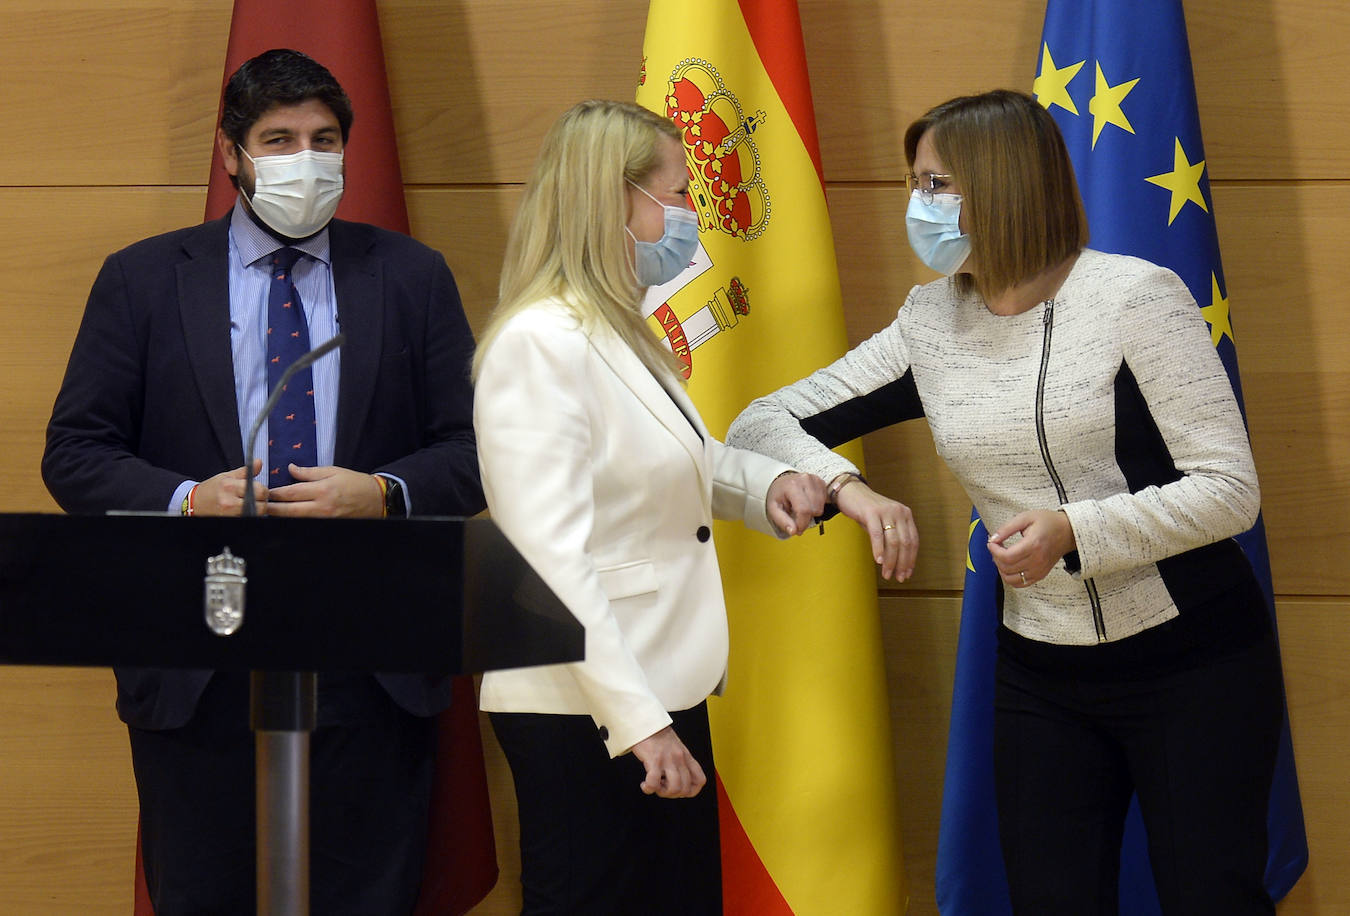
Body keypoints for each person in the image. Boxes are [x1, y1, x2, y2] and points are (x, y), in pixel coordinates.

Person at [727, 89, 1284, 915]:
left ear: (1005, 183)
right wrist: (850, 491)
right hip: (1041, 671)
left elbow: (1230, 492)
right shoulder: (929, 320)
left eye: (935, 184)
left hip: (1193, 658)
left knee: (1213, 896)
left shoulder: (1136, 297)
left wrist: (1072, 529)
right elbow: (761, 420)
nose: (916, 206)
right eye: (914, 183)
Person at [42, 49, 484, 914]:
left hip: (371, 663)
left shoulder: (410, 277)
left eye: (323, 139)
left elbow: (475, 449)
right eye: (277, 139)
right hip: (200, 664)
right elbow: (74, 452)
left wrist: (386, 493)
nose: (304, 159)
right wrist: (184, 500)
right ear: (230, 153)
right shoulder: (141, 279)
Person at [471, 99, 828, 915]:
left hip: (657, 679)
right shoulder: (542, 342)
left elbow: (673, 465)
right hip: (589, 706)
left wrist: (764, 485)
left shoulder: (618, 328)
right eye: (677, 194)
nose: (692, 215)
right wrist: (638, 725)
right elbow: (546, 558)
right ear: (615, 198)